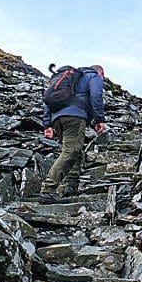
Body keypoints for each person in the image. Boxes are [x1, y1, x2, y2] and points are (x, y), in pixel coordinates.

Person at [39, 65, 106, 201]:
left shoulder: (67, 79)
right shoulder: (94, 76)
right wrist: (99, 119)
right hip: (74, 117)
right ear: (101, 72)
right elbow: (96, 95)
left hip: (58, 118)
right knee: (71, 150)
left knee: (75, 150)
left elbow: (48, 101)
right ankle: (48, 188)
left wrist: (47, 123)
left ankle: (71, 186)